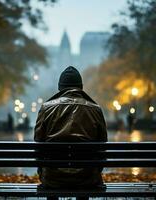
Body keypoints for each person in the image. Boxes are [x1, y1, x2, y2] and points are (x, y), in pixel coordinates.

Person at [34, 66, 107, 200]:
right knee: (85, 173)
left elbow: (38, 144)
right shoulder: (95, 109)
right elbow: (102, 146)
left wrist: (42, 172)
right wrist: (95, 171)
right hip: (87, 178)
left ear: (60, 87)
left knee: (52, 176)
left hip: (53, 178)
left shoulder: (46, 108)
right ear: (81, 87)